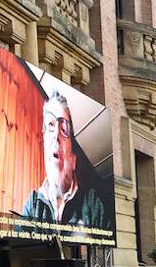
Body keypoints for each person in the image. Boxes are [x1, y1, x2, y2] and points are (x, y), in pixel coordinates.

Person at [21, 92, 107, 229]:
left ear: (73, 159)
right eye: (50, 124)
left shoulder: (92, 203)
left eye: (63, 129)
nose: (56, 135)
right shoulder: (33, 203)